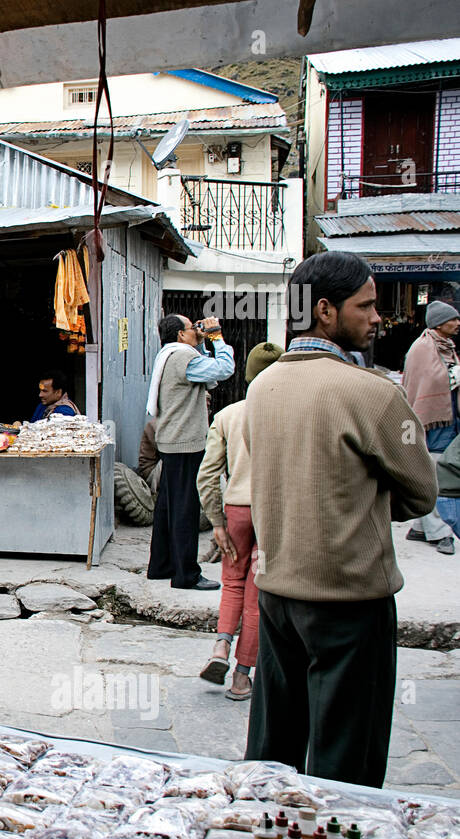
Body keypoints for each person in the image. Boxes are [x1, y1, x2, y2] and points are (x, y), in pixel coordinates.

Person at [244, 251, 436, 788]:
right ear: (325, 311)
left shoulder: (261, 388)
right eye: (367, 305)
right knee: (345, 766)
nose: (377, 318)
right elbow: (421, 493)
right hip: (350, 602)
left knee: (272, 756)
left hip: (278, 597)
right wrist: (366, 500)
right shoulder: (373, 394)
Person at [195, 341, 282, 701]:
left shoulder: (229, 415)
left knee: (231, 583)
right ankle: (243, 677)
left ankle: (220, 646)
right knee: (256, 594)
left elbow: (208, 473)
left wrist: (216, 520)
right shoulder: (287, 414)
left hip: (237, 511)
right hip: (275, 512)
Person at [145, 314, 235, 590]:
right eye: (191, 328)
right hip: (185, 443)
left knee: (168, 506)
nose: (196, 330)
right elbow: (223, 369)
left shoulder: (170, 355)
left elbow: (206, 370)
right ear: (180, 335)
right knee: (185, 509)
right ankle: (186, 575)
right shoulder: (183, 358)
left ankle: (161, 566)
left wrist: (203, 340)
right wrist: (216, 337)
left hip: (171, 440)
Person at [401, 300, 460, 554]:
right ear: (439, 323)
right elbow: (424, 382)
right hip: (431, 419)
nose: (457, 323)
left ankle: (420, 527)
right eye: (453, 319)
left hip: (447, 416)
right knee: (436, 472)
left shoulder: (447, 348)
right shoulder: (423, 348)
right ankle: (439, 531)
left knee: (438, 468)